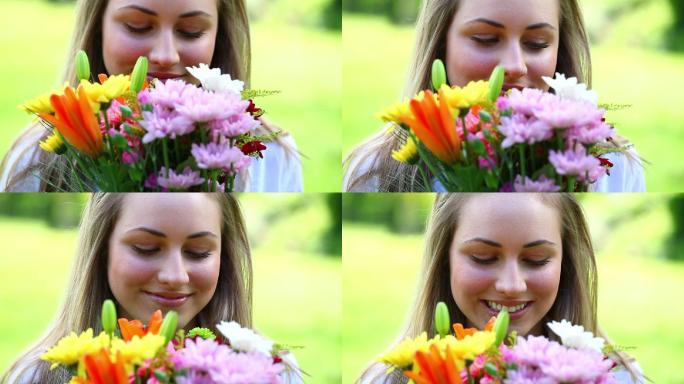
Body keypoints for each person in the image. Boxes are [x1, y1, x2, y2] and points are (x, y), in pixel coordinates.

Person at [0, 0, 303, 192]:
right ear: (97, 27)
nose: (165, 55)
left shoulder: (272, 156)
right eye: (138, 26)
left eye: (191, 31)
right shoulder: (36, 159)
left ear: (219, 35)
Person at [343, 0, 645, 192]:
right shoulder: (374, 172)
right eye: (486, 39)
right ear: (440, 45)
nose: (515, 66)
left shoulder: (616, 168)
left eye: (537, 43)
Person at [1, 193, 302, 384]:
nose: (175, 275)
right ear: (102, 250)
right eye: (146, 248)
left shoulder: (275, 371)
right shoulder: (35, 377)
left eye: (198, 252)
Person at [358, 193, 644, 383]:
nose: (511, 285)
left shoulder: (619, 377)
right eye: (483, 258)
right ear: (444, 259)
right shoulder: (388, 379)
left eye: (536, 260)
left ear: (565, 264)